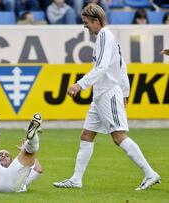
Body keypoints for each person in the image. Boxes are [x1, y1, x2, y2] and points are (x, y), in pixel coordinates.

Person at [53, 3, 161, 191]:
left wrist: (80, 84)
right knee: (86, 135)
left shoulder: (104, 36)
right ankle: (76, 179)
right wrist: (126, 92)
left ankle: (150, 173)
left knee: (118, 136)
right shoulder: (107, 37)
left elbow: (102, 67)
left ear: (96, 21)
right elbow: (121, 66)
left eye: (86, 22)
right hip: (101, 94)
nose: (85, 26)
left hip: (108, 93)